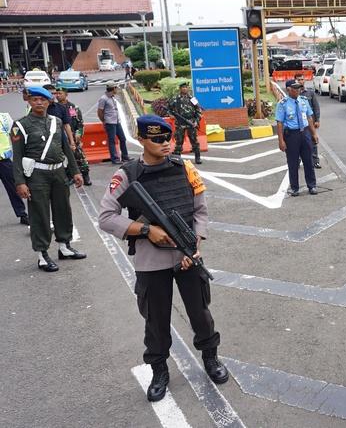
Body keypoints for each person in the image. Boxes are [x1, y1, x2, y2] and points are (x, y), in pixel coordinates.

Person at [97, 115, 228, 402]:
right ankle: (159, 371)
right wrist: (146, 230)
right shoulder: (127, 174)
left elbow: (200, 212)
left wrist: (193, 247)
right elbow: (106, 217)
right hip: (151, 260)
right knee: (156, 321)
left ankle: (210, 358)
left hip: (187, 256)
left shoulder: (185, 168)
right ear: (141, 139)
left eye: (168, 138)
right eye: (157, 139)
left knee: (201, 314)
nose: (165, 144)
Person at [11, 86, 85, 272]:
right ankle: (42, 254)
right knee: (40, 214)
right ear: (29, 101)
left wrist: (75, 171)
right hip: (37, 175)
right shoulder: (20, 125)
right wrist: (20, 182)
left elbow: (66, 148)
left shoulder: (56, 122)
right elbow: (17, 156)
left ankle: (64, 246)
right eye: (34, 99)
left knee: (63, 210)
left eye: (42, 100)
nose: (39, 103)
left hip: (58, 172)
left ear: (49, 101)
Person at [275, 79, 318, 197]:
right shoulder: (282, 104)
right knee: (293, 163)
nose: (298, 90)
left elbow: (309, 117)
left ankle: (312, 185)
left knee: (308, 160)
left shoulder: (303, 101)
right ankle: (294, 188)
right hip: (291, 135)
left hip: (305, 133)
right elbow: (279, 123)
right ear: (288, 90)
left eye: (299, 87)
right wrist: (281, 140)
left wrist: (313, 133)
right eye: (295, 88)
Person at [55, 86, 91, 186]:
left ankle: (86, 175)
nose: (57, 95)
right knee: (65, 159)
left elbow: (80, 123)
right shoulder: (54, 108)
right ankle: (70, 176)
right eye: (56, 94)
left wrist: (78, 135)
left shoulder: (73, 108)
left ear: (66, 95)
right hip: (60, 138)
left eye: (60, 93)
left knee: (80, 156)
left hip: (74, 137)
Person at [0, 112, 28, 225]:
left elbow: (15, 132)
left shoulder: (4, 117)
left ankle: (22, 214)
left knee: (13, 189)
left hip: (4, 161)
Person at [167, 80, 203, 164]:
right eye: (183, 87)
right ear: (180, 88)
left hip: (191, 122)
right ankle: (177, 158)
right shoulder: (175, 99)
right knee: (179, 141)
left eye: (186, 87)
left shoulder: (192, 99)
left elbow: (198, 110)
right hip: (180, 123)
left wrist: (196, 121)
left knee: (194, 140)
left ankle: (197, 157)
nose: (185, 89)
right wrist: (170, 115)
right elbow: (168, 108)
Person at [97, 83, 131, 164]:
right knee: (112, 141)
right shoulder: (103, 99)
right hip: (110, 123)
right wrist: (104, 121)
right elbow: (99, 112)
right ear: (113, 89)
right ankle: (115, 159)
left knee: (123, 139)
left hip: (116, 121)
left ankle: (125, 157)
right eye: (116, 88)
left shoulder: (112, 97)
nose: (117, 90)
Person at [294, 73, 321, 169]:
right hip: (297, 123)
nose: (301, 81)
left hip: (310, 122)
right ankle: (297, 162)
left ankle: (315, 161)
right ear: (295, 81)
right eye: (298, 79)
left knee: (313, 141)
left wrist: (317, 120)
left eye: (302, 79)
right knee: (297, 143)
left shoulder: (310, 93)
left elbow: (316, 107)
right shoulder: (293, 94)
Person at [44, 84, 76, 151]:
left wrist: (72, 142)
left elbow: (67, 125)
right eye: (51, 93)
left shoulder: (64, 107)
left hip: (59, 140)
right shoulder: (38, 108)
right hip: (43, 141)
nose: (55, 95)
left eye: (54, 93)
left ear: (66, 95)